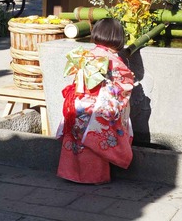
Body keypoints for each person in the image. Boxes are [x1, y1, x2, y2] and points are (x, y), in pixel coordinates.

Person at [56, 18, 135, 184]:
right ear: (118, 38)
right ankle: (92, 177)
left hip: (77, 103)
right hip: (97, 108)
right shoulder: (114, 61)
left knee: (76, 141)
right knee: (95, 139)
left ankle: (69, 173)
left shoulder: (86, 55)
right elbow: (124, 85)